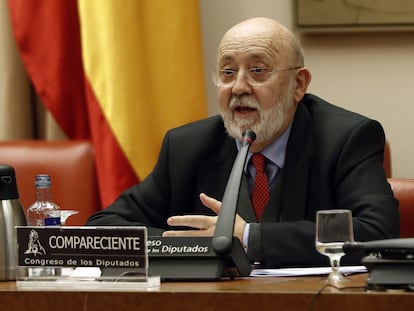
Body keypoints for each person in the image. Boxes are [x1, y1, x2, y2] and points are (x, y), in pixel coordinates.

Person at [86, 17, 399, 268]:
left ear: (298, 84)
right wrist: (190, 244)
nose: (238, 87)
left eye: (258, 70)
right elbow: (103, 228)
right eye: (227, 71)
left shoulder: (345, 139)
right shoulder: (187, 146)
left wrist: (248, 237)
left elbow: (376, 232)